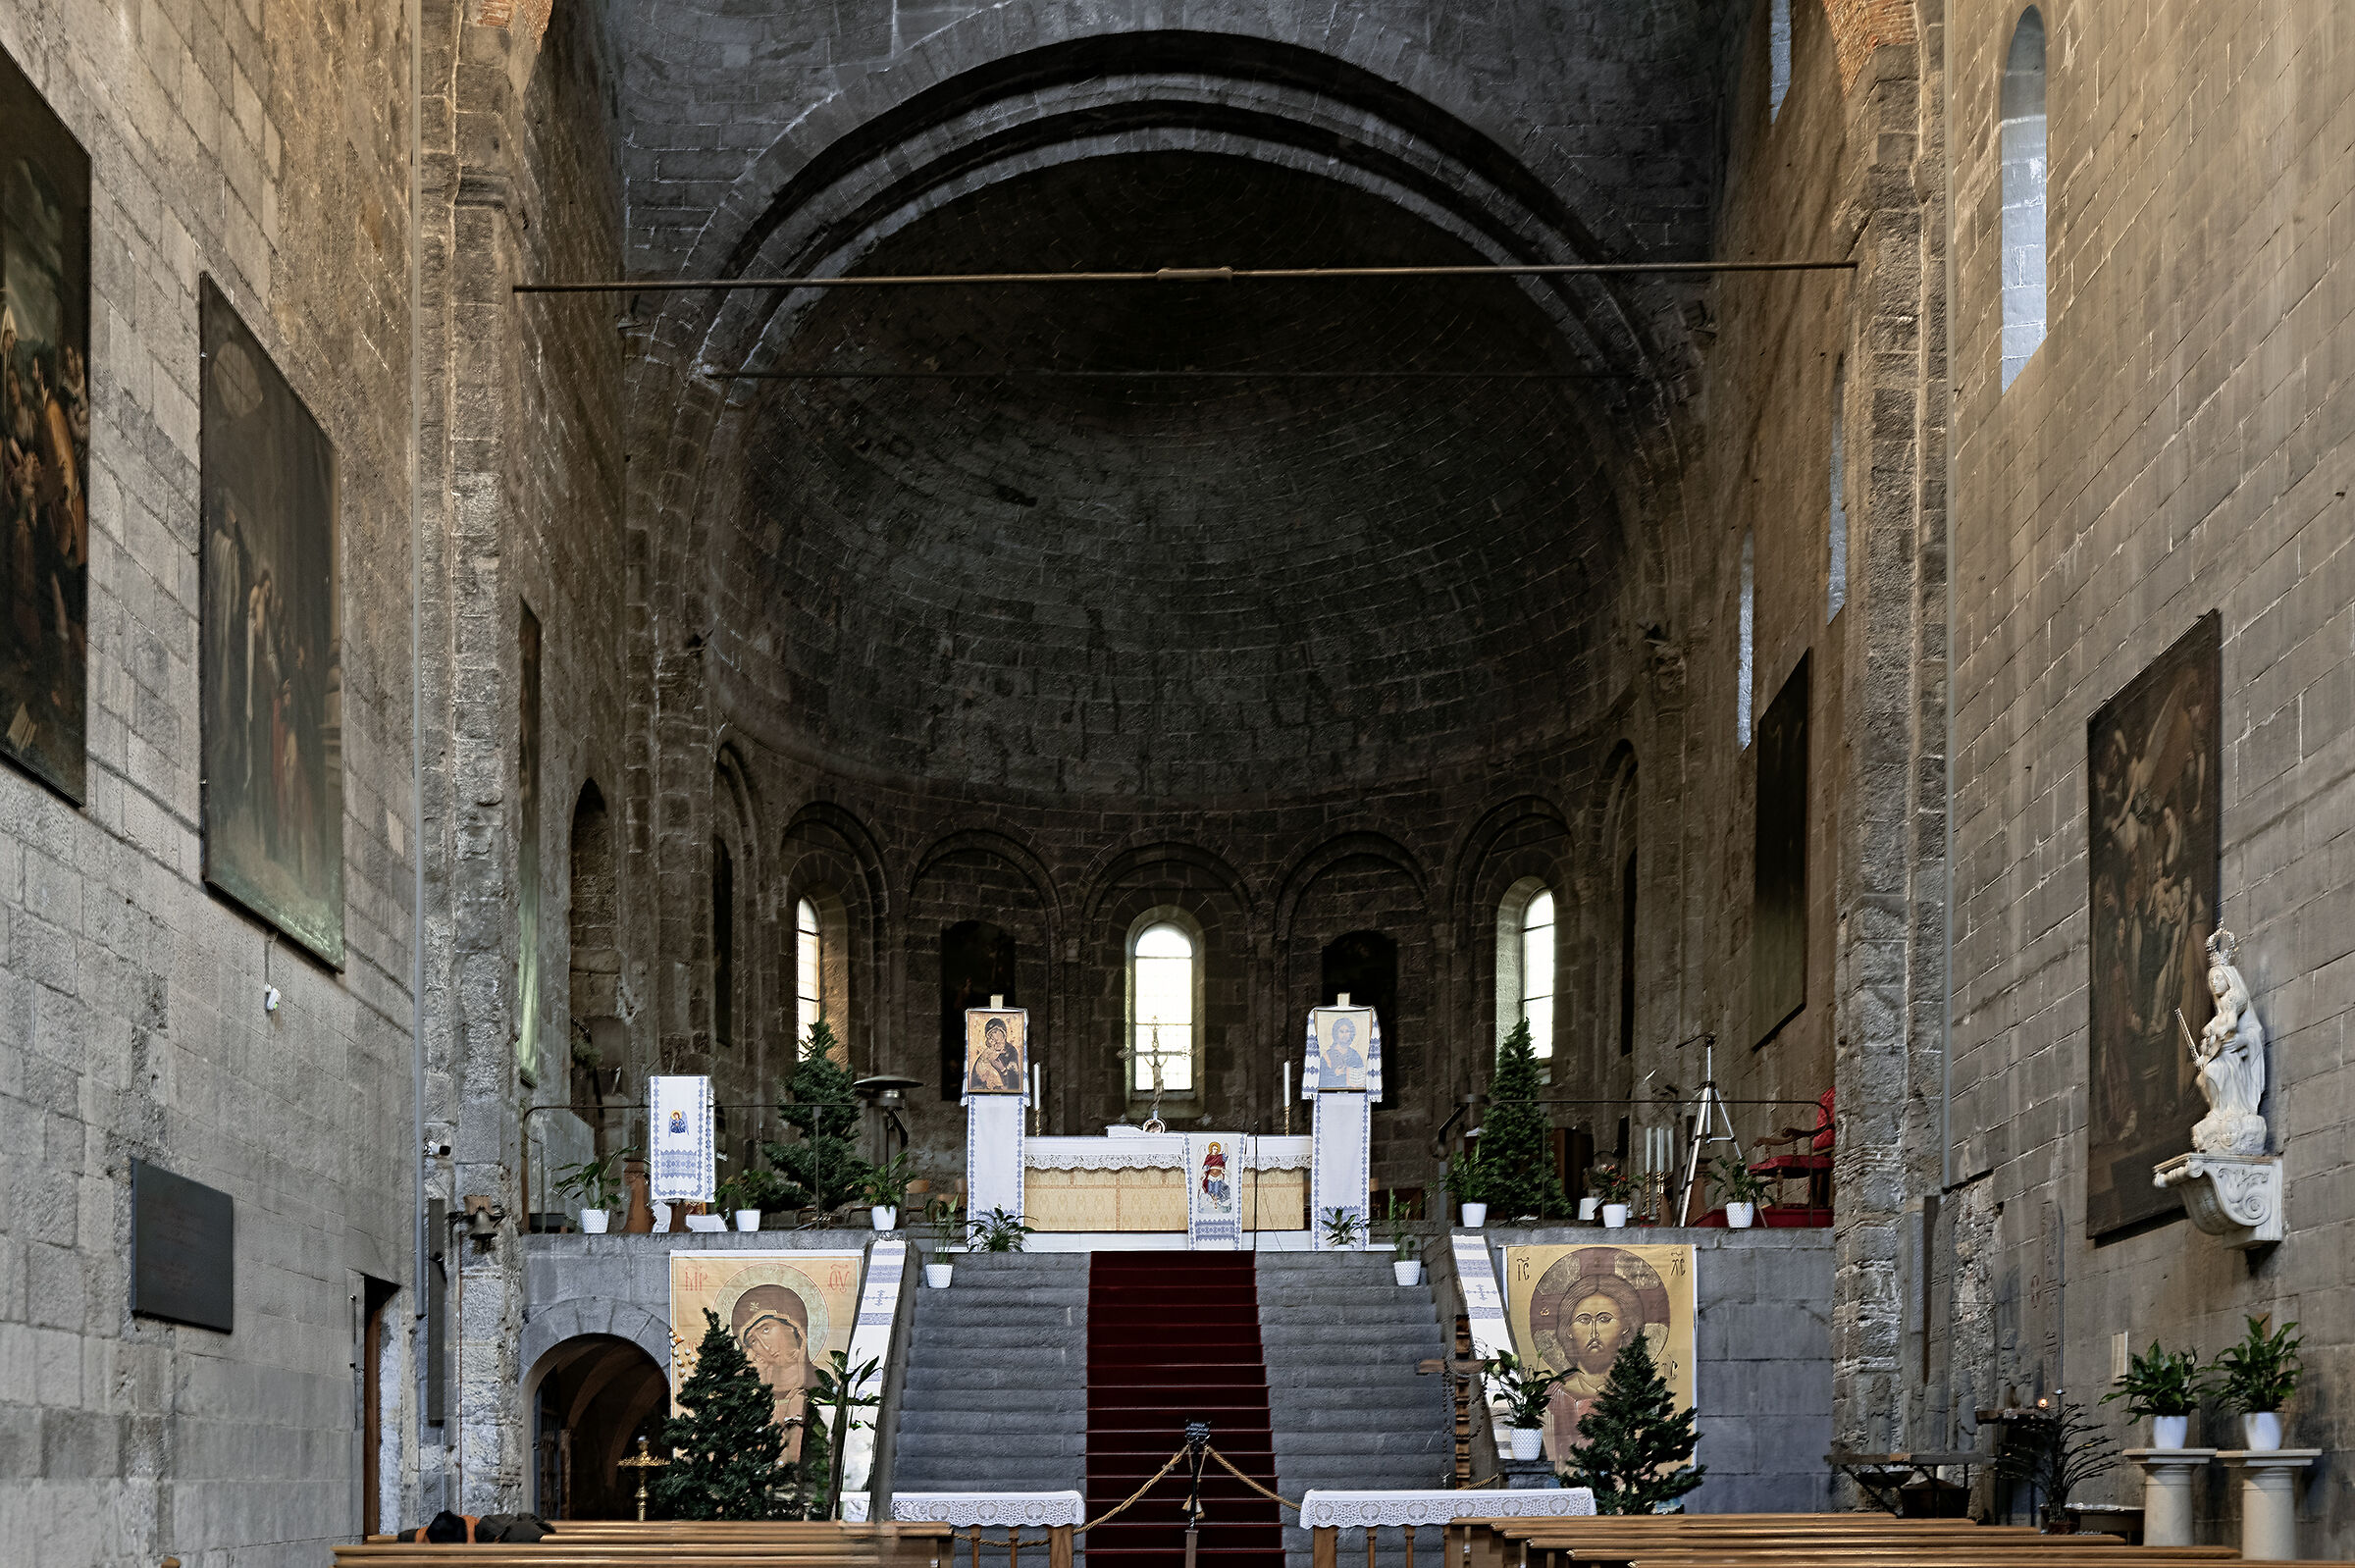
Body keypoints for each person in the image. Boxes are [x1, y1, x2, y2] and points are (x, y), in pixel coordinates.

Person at [730, 1283, 814, 1460]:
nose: (765, 1347)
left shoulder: (822, 1385)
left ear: (791, 1325)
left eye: (766, 1329)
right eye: (753, 1341)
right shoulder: (746, 1397)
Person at [968, 1013, 1022, 1093]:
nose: (993, 1036)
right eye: (991, 1034)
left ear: (1003, 1032)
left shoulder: (1011, 1051)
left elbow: (1015, 1083)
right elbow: (975, 1081)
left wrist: (1002, 1069)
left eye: (995, 1032)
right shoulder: (987, 1053)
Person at [1320, 1013, 1366, 1090]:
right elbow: (1321, 1080)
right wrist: (1335, 1074)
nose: (1345, 1035)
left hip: (1353, 1095)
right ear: (1336, 1033)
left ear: (1351, 1034)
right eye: (1341, 1031)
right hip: (1331, 1095)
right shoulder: (1327, 1056)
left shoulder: (1355, 1055)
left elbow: (1361, 1078)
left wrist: (1351, 1073)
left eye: (1347, 1031)